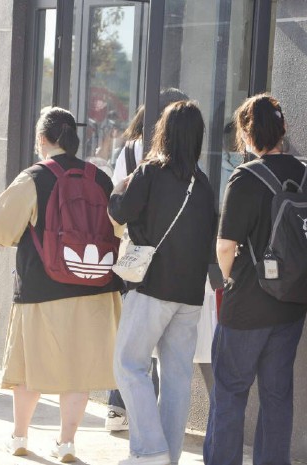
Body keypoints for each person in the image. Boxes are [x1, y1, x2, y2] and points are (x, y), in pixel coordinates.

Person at [0, 107, 124, 463]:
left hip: (41, 289)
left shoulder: (34, 177)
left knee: (29, 367)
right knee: (77, 372)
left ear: (42, 139)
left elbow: (0, 227)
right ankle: (66, 443)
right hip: (94, 289)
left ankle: (19, 437)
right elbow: (118, 229)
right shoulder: (100, 178)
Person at [204, 94, 307, 465]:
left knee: (230, 392)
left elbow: (225, 246)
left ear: (246, 135)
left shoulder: (245, 177)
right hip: (293, 301)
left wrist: (229, 279)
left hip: (247, 304)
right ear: (284, 129)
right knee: (277, 395)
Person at [109, 101, 215, 465]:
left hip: (152, 286)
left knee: (128, 364)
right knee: (177, 379)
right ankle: (168, 456)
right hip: (190, 294)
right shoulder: (203, 184)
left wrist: (119, 189)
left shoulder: (151, 171)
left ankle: (150, 451)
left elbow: (120, 211)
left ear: (163, 132)